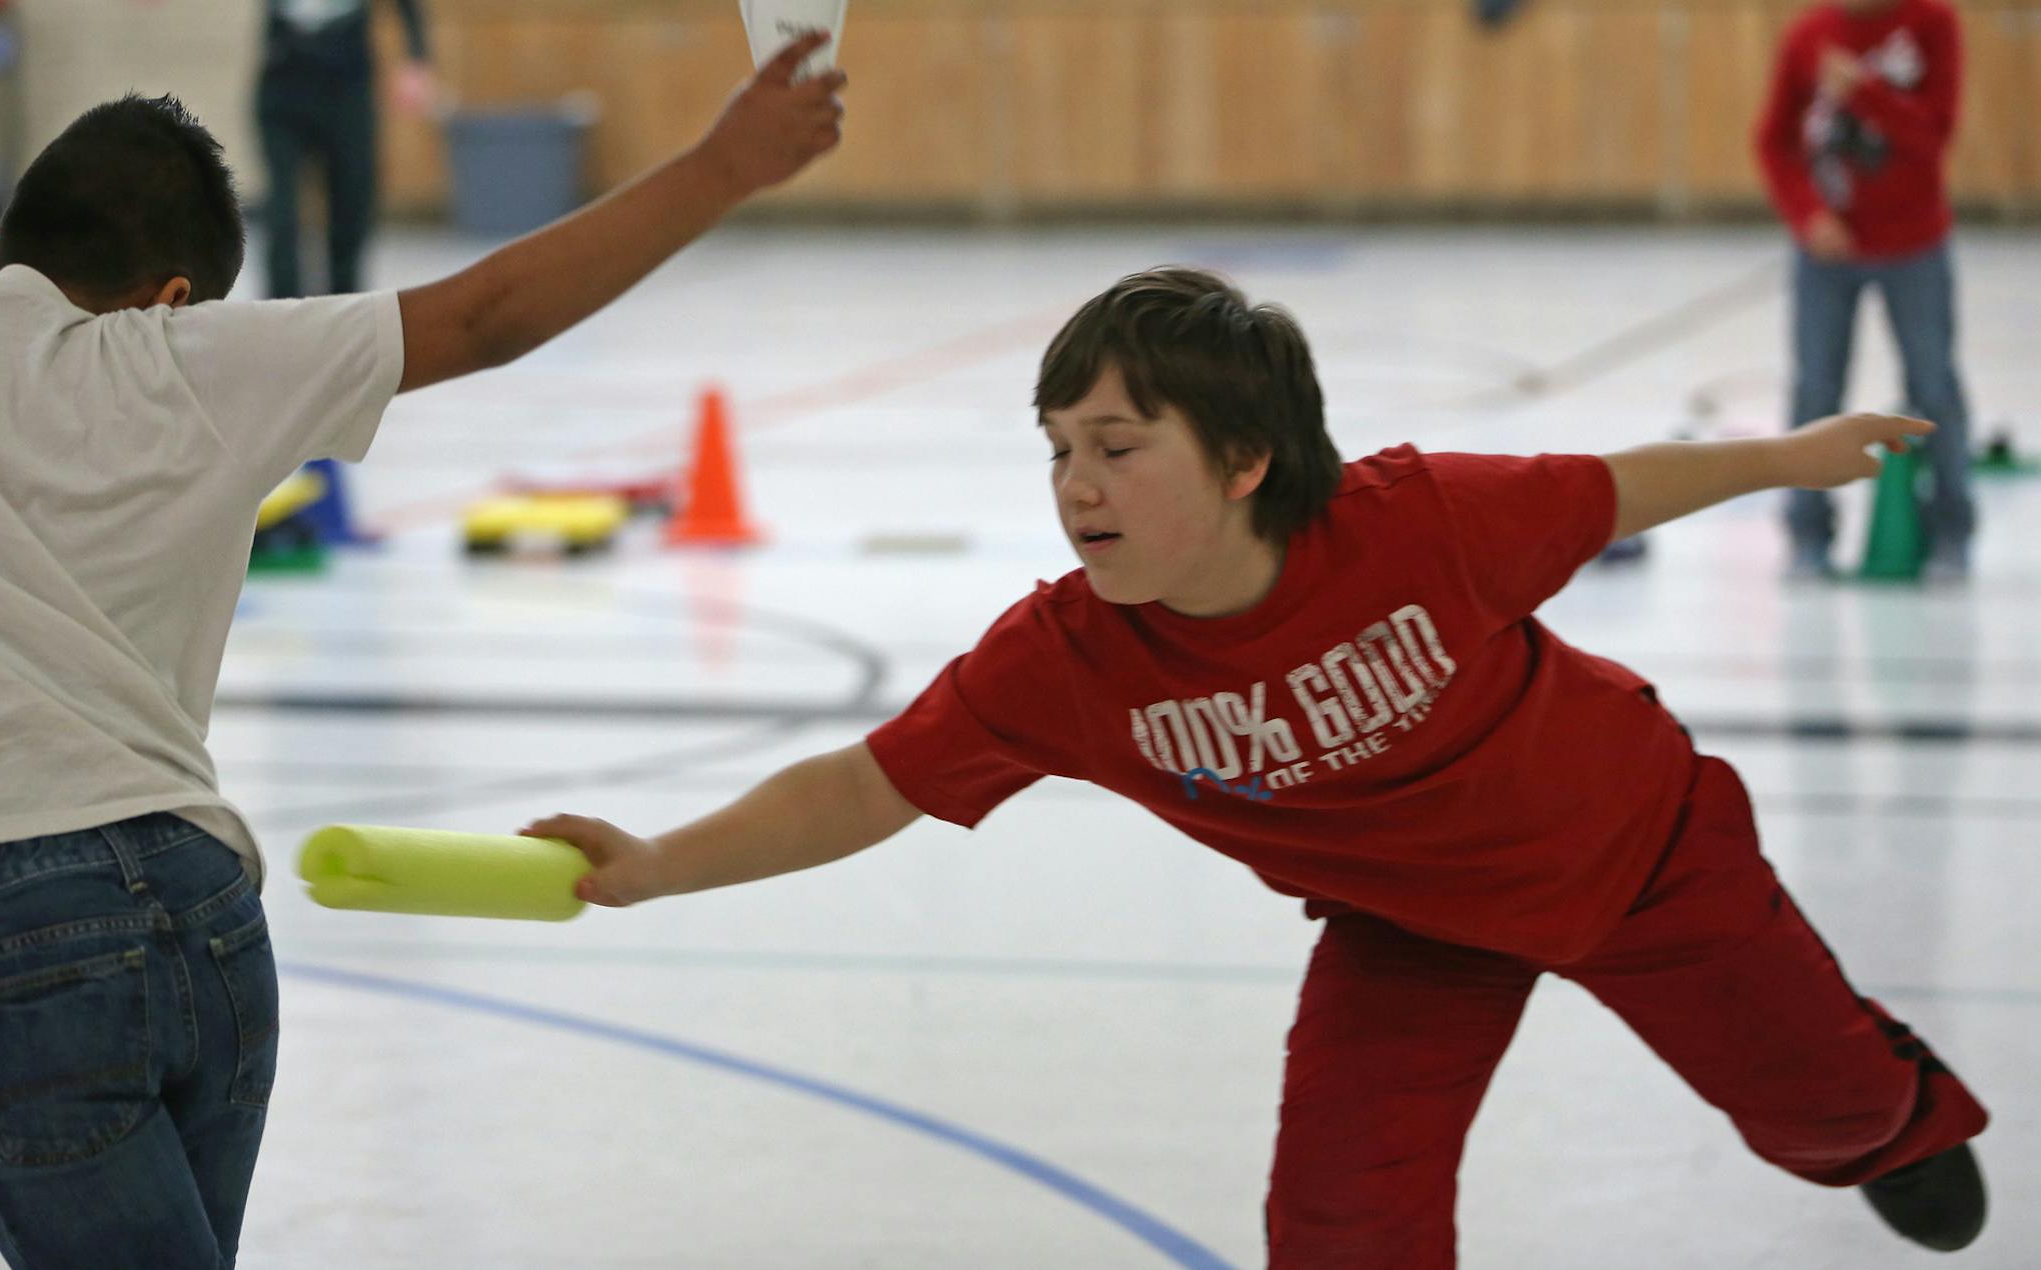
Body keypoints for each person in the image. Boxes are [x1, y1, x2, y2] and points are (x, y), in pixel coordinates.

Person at [521, 269, 1989, 1267]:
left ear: (1241, 460)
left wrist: (1790, 457)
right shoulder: (1067, 659)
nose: (1075, 485)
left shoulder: (1418, 523)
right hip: (1412, 924)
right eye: (1055, 450)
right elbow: (864, 782)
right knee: (1340, 1219)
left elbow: (1618, 487)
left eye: (1115, 444)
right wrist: (655, 863)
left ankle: (1896, 1117)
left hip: (1642, 849)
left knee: (1829, 1109)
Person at [0, 35, 844, 1269]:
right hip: (204, 910)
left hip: (1, 946)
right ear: (178, 297)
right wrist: (721, 164)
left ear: (1, 251)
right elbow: (489, 314)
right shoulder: (200, 365)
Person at [1754, 0, 1974, 581]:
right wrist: (1808, 216)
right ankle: (1807, 533)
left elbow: (1935, 136)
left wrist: (1864, 92)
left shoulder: (1933, 25)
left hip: (1915, 245)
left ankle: (1952, 530)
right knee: (1815, 391)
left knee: (1934, 387)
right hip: (1827, 253)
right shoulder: (1809, 36)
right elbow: (1773, 142)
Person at [257, 0, 435, 300]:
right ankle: (279, 310)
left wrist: (416, 58)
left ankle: (344, 304)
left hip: (347, 80)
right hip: (284, 74)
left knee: (351, 200)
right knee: (282, 210)